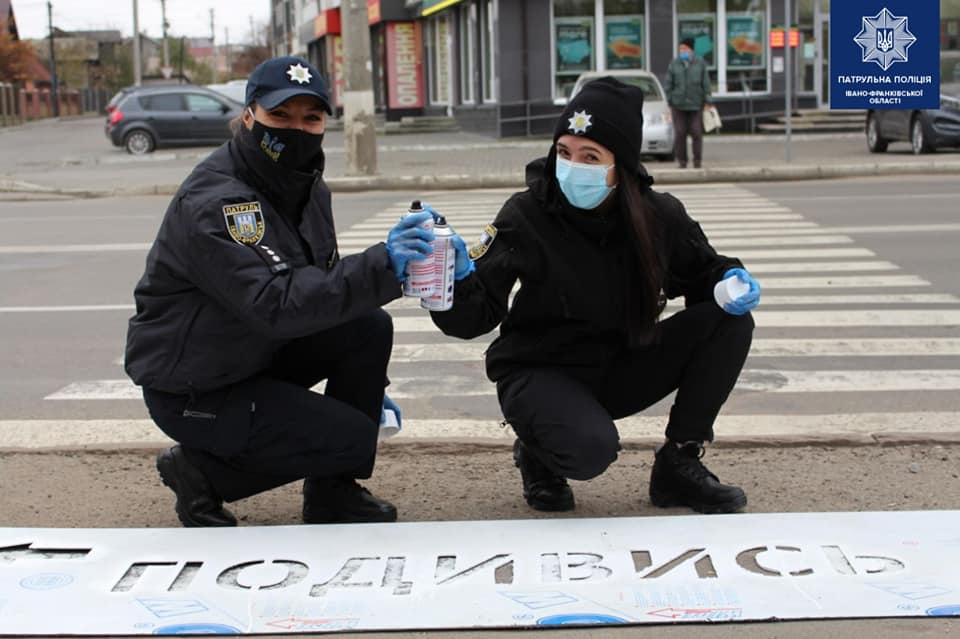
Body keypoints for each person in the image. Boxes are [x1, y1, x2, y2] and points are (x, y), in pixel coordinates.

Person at [124, 56, 436, 527]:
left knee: (368, 326)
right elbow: (276, 305)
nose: (296, 129)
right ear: (249, 115)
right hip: (194, 386)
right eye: (280, 115)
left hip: (248, 353)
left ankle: (332, 494)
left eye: (310, 118)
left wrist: (370, 388)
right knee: (353, 435)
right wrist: (381, 263)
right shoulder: (219, 201)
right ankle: (201, 474)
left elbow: (322, 290)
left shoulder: (304, 185)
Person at [429, 77, 760, 515]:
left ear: (619, 166)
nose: (572, 167)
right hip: (541, 373)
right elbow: (476, 314)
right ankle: (537, 453)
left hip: (620, 364)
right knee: (589, 451)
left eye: (590, 157)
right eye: (564, 153)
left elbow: (704, 274)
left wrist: (730, 280)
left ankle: (679, 462)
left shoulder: (657, 216)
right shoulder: (527, 214)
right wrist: (445, 284)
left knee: (729, 320)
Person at [663, 37, 713, 169]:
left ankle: (697, 161)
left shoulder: (700, 63)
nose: (682, 51)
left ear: (691, 50)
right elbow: (668, 84)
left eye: (684, 48)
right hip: (678, 105)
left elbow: (706, 83)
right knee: (680, 134)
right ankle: (682, 162)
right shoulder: (674, 64)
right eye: (680, 48)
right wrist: (670, 100)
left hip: (696, 104)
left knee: (696, 133)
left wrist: (708, 100)